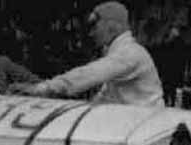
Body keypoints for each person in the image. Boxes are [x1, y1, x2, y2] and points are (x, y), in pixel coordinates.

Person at [21, 2, 163, 107]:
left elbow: (89, 74)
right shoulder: (122, 53)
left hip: (143, 127)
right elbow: (106, 96)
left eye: (94, 26)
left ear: (112, 26)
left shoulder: (130, 53)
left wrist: (44, 88)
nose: (91, 33)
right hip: (134, 123)